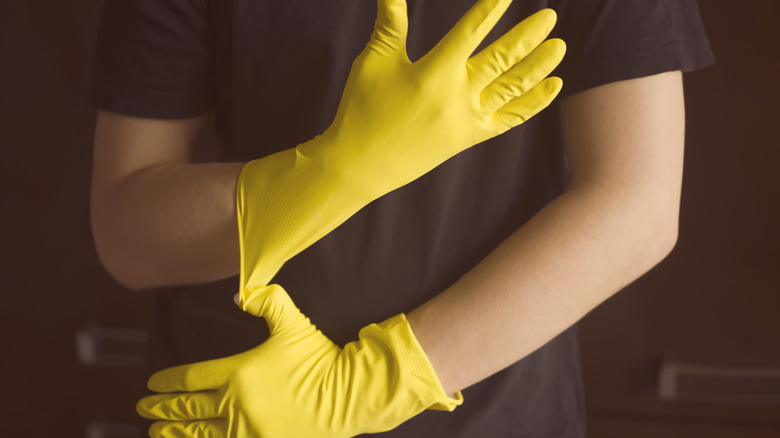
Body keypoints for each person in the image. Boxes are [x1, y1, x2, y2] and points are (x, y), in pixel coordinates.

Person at [87, 0, 715, 436]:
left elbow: (638, 204)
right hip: (232, 407)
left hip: (494, 417)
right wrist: (329, 175)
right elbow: (124, 231)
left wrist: (371, 384)